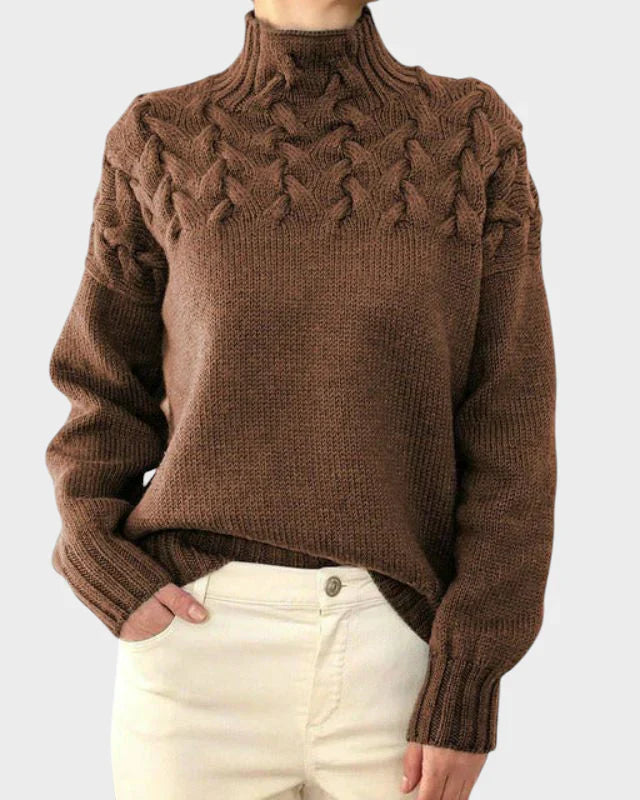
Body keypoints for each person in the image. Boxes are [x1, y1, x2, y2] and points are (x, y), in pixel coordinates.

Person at [44, 1, 556, 798]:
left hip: (397, 651)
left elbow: (511, 425)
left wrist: (470, 676)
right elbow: (100, 388)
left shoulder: (470, 133)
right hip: (193, 654)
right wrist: (100, 563)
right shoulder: (157, 136)